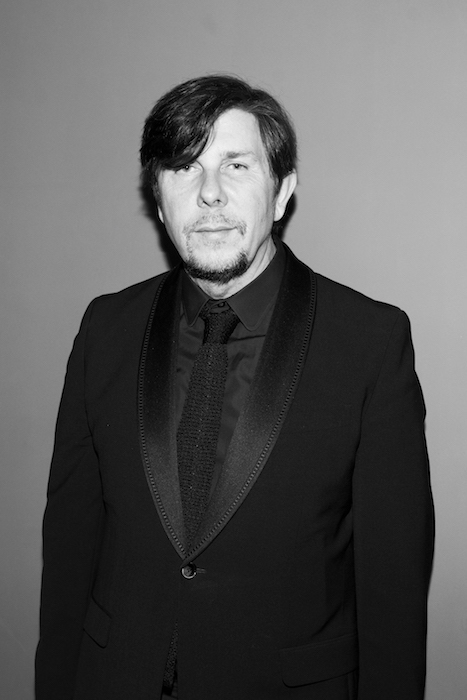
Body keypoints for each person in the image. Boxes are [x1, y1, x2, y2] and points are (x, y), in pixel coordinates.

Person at [36, 75, 434, 700]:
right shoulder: (104, 329)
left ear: (282, 193)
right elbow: (68, 550)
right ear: (159, 199)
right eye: (184, 168)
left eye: (236, 165)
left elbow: (394, 589)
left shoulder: (370, 343)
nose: (210, 192)